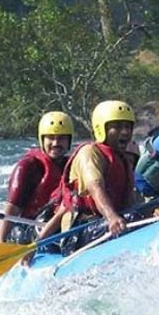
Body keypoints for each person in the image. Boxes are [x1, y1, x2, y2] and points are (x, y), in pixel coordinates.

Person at [35, 100, 137, 251]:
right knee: (132, 219)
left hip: (105, 223)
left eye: (128, 127)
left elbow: (129, 204)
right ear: (101, 128)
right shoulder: (89, 153)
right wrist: (111, 217)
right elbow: (95, 188)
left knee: (138, 217)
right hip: (78, 234)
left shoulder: (123, 160)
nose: (125, 132)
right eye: (117, 127)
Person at [0, 111, 73, 243]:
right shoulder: (27, 167)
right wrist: (0, 243)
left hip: (55, 224)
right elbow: (11, 211)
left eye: (61, 138)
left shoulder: (72, 165)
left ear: (69, 141)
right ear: (42, 139)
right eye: (50, 137)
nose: (56, 143)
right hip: (26, 229)